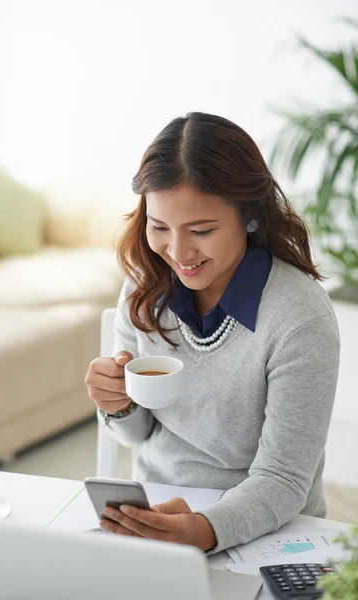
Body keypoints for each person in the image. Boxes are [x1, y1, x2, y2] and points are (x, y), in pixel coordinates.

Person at [85, 112, 340, 554]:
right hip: (157, 516)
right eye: (160, 227)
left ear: (250, 217)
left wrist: (204, 530)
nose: (178, 253)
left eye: (201, 231)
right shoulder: (144, 289)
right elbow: (140, 436)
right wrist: (118, 405)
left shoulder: (300, 319)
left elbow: (282, 480)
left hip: (271, 528)